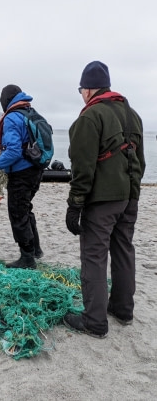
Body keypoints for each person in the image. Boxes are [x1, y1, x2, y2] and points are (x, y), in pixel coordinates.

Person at [63, 61, 145, 339]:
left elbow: (82, 166)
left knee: (94, 255)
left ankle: (94, 321)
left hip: (102, 200)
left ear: (87, 89)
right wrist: (132, 193)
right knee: (124, 250)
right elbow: (140, 161)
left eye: (81, 89)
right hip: (129, 196)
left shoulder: (90, 116)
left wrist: (75, 203)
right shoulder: (133, 115)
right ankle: (122, 309)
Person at [0, 85, 44, 269]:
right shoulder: (29, 111)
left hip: (21, 172)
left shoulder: (13, 117)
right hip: (36, 170)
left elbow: (13, 150)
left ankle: (27, 257)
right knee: (26, 208)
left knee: (17, 212)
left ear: (6, 100)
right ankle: (36, 249)